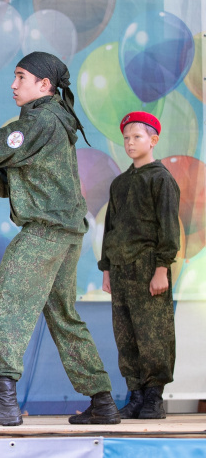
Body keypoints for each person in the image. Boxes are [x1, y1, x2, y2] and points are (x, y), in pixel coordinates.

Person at [0, 51, 120, 426]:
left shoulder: (41, 119)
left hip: (46, 233)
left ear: (44, 85)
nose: (14, 85)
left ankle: (4, 402)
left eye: (21, 77)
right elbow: (20, 178)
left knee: (4, 305)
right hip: (65, 233)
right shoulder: (52, 120)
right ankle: (103, 401)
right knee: (64, 317)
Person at [99, 111, 179, 419]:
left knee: (153, 333)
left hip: (148, 267)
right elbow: (111, 227)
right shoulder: (120, 183)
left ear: (153, 140)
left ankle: (153, 397)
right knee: (127, 334)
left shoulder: (161, 179)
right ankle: (134, 394)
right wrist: (106, 267)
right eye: (126, 138)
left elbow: (168, 227)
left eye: (137, 137)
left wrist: (162, 268)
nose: (130, 143)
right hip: (120, 270)